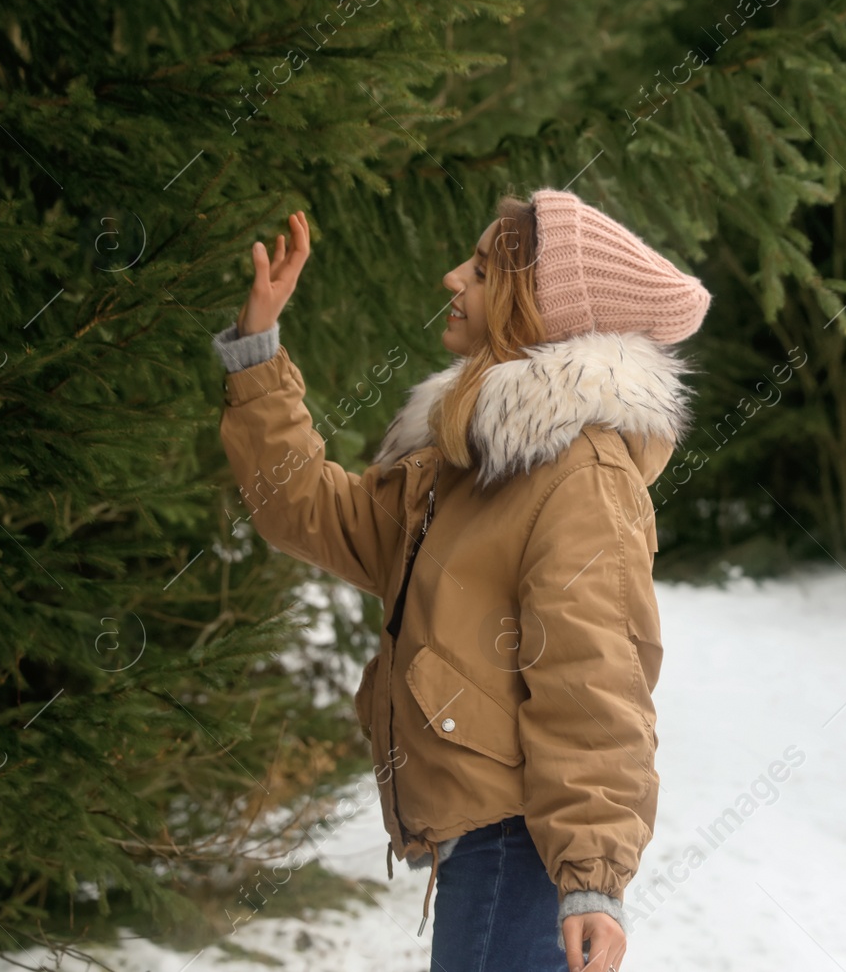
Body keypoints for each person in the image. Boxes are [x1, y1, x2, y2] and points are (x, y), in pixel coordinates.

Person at [209, 190, 711, 972]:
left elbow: (596, 679)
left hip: (520, 843)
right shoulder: (463, 462)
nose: (453, 278)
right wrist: (258, 352)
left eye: (479, 270)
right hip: (487, 840)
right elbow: (307, 511)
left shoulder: (581, 476)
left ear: (532, 304)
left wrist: (590, 879)